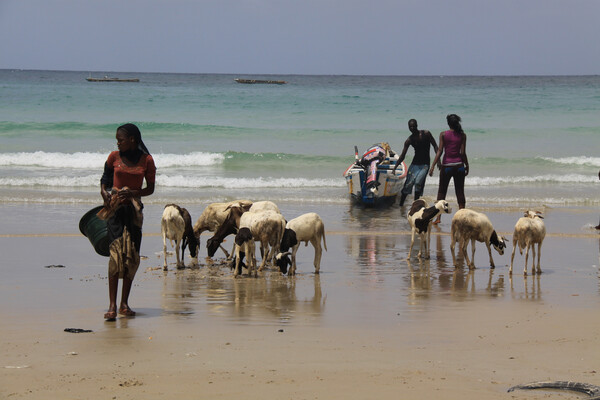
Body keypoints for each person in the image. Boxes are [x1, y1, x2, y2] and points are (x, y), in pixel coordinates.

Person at [99, 123, 156, 320]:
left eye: (121, 139)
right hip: (114, 210)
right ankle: (112, 306)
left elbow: (150, 189)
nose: (118, 142)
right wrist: (104, 193)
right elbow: (104, 179)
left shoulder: (147, 160)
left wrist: (134, 193)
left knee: (131, 256)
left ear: (132, 139)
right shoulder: (113, 157)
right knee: (115, 255)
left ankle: (124, 304)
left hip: (134, 211)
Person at [429, 114, 469, 223]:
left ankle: (438, 218)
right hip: (459, 167)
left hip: (446, 167)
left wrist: (432, 165)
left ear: (448, 123)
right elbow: (463, 153)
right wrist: (467, 165)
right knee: (460, 191)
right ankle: (462, 217)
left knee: (442, 192)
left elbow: (440, 151)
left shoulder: (443, 134)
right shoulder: (462, 135)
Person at [393, 119, 440, 206]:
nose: (412, 128)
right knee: (408, 184)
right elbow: (403, 155)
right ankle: (401, 205)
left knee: (418, 183)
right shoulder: (409, 140)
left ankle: (415, 205)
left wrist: (438, 161)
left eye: (414, 126)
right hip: (414, 164)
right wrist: (395, 166)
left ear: (417, 125)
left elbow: (435, 146)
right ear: (408, 128)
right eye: (410, 127)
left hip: (425, 164)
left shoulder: (426, 134)